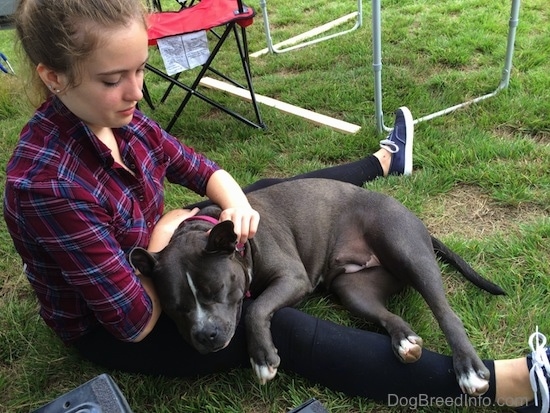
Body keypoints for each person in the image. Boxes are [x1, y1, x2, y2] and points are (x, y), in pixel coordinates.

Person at [4, 0, 548, 411]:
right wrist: (167, 230)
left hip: (164, 257)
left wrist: (236, 203)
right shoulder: (45, 185)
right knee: (278, 327)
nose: (136, 92)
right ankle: (505, 385)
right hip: (119, 313)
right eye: (112, 79)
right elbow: (133, 320)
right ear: (54, 78)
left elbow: (202, 169)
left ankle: (380, 163)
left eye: (141, 70)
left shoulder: (119, 116)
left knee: (266, 191)